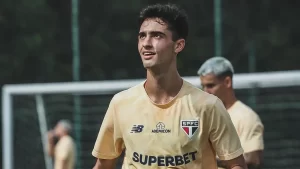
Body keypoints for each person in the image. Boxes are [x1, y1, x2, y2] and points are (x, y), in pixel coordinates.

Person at [92, 3, 247, 169]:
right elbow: (103, 164)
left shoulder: (208, 106)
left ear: (178, 45)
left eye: (157, 36)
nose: (146, 43)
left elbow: (236, 165)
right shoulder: (121, 103)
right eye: (142, 36)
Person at [197, 56, 264, 169]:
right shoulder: (200, 116)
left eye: (210, 86)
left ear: (227, 82)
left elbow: (253, 160)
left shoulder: (246, 117)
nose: (205, 91)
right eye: (203, 86)